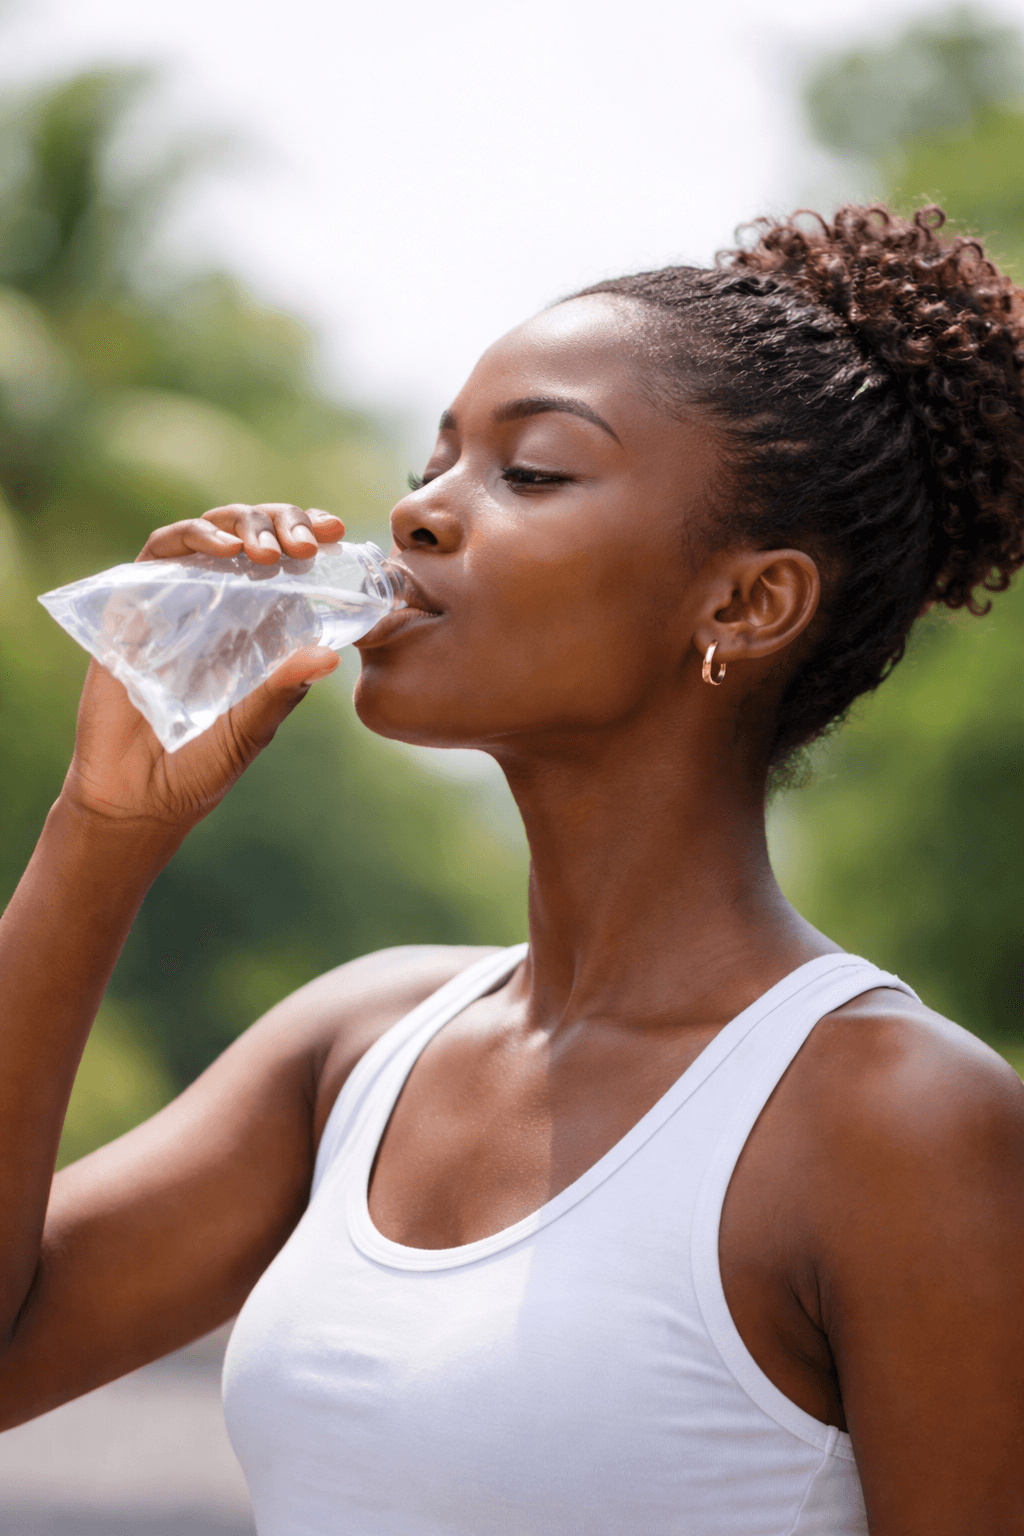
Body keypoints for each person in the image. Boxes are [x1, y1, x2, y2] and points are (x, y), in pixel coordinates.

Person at [1, 203, 1023, 1535]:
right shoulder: (357, 1049)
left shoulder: (900, 1123)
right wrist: (104, 834)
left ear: (746, 604)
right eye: (438, 461)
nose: (419, 512)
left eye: (530, 472)